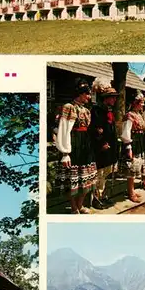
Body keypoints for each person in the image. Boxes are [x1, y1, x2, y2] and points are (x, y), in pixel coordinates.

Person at [56, 79, 97, 214]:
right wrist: (65, 153)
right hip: (73, 143)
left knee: (86, 177)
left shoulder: (86, 110)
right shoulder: (69, 107)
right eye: (87, 94)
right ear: (80, 94)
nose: (89, 97)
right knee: (72, 178)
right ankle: (73, 207)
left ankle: (80, 205)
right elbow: (63, 130)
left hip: (85, 144)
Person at [90, 77, 118, 207]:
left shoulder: (109, 111)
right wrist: (101, 143)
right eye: (112, 97)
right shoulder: (96, 111)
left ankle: (101, 195)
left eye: (114, 97)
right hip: (101, 147)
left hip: (110, 146)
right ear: (105, 97)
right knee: (99, 173)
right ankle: (95, 198)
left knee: (106, 173)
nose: (114, 99)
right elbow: (95, 129)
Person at [120, 91, 145, 203]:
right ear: (135, 103)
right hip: (132, 142)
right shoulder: (129, 115)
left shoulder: (138, 114)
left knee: (135, 168)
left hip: (139, 141)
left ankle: (132, 190)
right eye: (141, 103)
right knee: (131, 168)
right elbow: (126, 132)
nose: (142, 105)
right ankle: (130, 192)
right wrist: (128, 146)